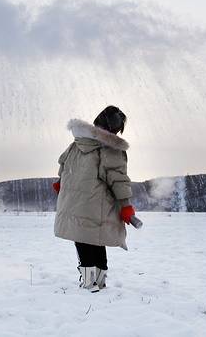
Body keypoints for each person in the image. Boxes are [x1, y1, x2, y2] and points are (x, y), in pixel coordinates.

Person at [52, 105, 137, 292]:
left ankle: (90, 282)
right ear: (116, 128)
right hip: (95, 204)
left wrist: (60, 182)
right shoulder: (110, 149)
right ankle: (98, 281)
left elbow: (63, 165)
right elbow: (118, 180)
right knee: (96, 240)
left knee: (83, 240)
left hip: (74, 202)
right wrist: (125, 205)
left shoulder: (77, 143)